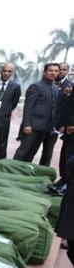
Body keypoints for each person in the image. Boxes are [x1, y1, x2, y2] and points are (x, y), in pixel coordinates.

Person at [13, 63, 60, 166]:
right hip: (32, 126)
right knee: (23, 152)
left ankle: (22, 173)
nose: (53, 73)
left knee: (32, 152)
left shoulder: (55, 88)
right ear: (44, 72)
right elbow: (28, 107)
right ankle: (11, 170)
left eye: (56, 71)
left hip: (45, 127)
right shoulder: (36, 86)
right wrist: (26, 124)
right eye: (50, 70)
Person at [53, 62, 74, 193]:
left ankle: (68, 183)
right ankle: (64, 178)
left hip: (72, 126)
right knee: (65, 153)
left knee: (70, 155)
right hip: (69, 126)